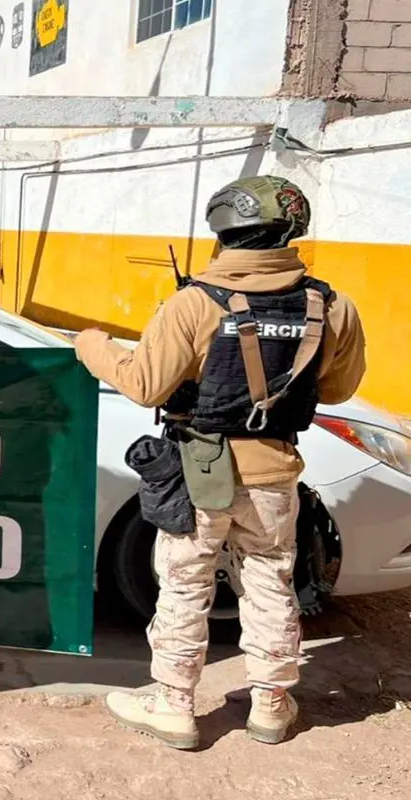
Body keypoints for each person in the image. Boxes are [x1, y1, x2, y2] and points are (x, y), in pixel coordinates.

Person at [73, 175, 366, 750]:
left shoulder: (193, 303)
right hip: (276, 470)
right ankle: (272, 704)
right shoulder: (330, 304)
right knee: (269, 582)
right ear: (291, 230)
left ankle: (174, 705)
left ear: (224, 230)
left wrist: (92, 346)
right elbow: (336, 390)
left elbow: (145, 384)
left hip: (199, 471)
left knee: (184, 585)